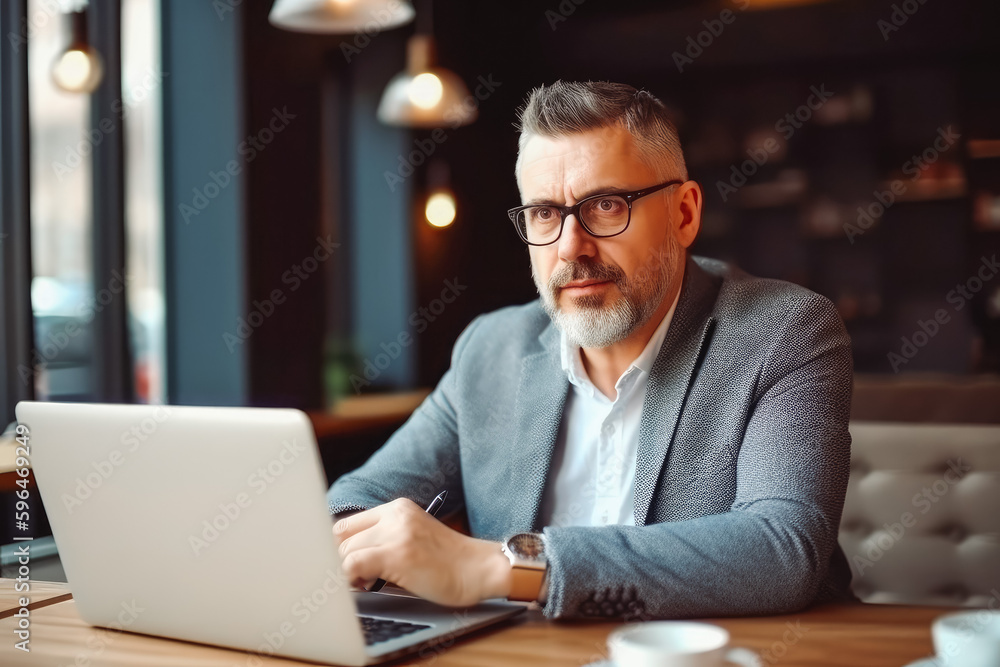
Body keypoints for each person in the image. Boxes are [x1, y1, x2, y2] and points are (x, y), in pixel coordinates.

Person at [328, 80, 855, 620]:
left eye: (605, 205)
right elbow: (362, 493)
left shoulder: (785, 332)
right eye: (545, 214)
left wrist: (502, 567)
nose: (569, 247)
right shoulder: (491, 349)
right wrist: (344, 536)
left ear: (684, 214)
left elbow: (782, 549)